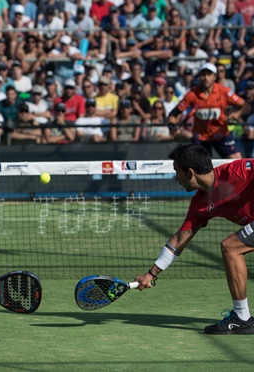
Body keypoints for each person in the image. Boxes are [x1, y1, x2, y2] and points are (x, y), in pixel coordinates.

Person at [134, 143, 254, 334]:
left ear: (190, 172)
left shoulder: (238, 171)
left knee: (231, 247)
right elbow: (180, 239)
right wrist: (151, 273)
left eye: (177, 172)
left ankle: (242, 317)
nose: (176, 179)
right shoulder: (200, 204)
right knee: (232, 248)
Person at [167, 63, 251, 159]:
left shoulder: (224, 91)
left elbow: (246, 106)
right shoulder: (192, 94)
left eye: (209, 74)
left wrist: (237, 114)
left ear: (215, 76)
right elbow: (173, 113)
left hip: (222, 135)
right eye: (203, 75)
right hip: (200, 138)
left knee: (236, 160)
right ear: (199, 77)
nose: (205, 77)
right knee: (201, 167)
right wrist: (172, 126)